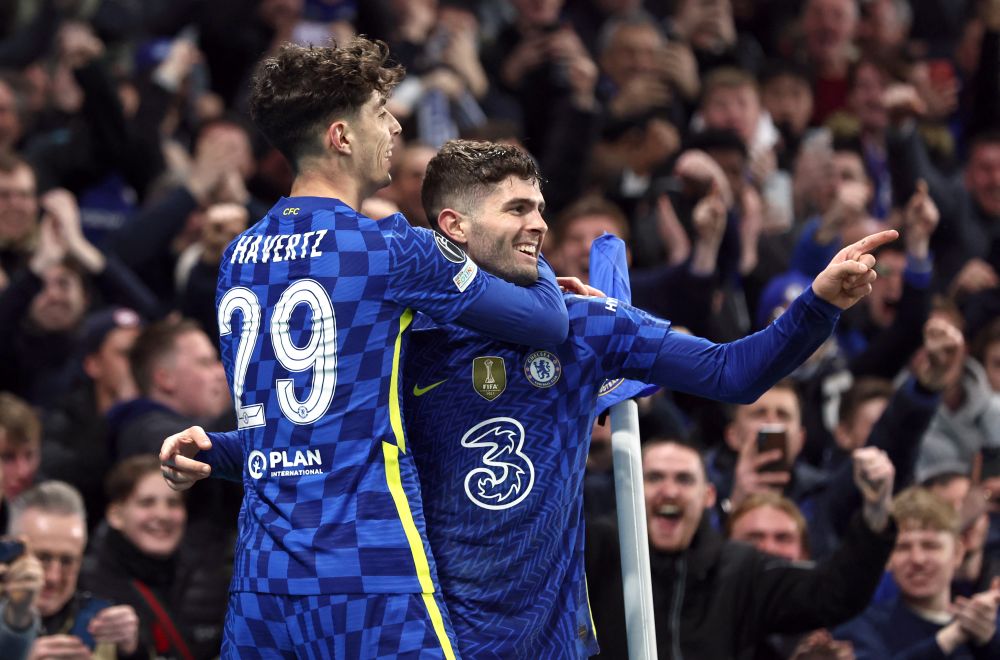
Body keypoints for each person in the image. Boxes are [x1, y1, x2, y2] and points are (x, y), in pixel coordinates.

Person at [169, 138, 898, 657]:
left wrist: (819, 304)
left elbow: (735, 373)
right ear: (451, 227)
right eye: (517, 208)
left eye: (541, 206)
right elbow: (322, 444)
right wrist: (220, 451)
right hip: (418, 632)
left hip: (551, 641)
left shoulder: (585, 324)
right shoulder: (398, 333)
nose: (539, 224)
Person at [160, 38, 570, 659]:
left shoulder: (237, 257)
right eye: (381, 111)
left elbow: (297, 438)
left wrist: (216, 452)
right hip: (367, 571)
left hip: (261, 583)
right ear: (342, 137)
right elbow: (544, 323)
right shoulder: (389, 248)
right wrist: (539, 267)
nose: (396, 124)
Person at [588, 440, 897, 658]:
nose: (669, 491)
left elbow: (834, 594)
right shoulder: (596, 552)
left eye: (684, 479)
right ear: (628, 491)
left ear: (708, 496)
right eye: (654, 478)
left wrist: (874, 515)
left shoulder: (741, 568)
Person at [79, 455, 229, 660]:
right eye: (146, 503)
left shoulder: (213, 575)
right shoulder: (89, 583)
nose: (162, 515)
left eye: (173, 503)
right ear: (116, 515)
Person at [833, 487, 1000, 659]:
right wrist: (951, 637)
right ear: (887, 558)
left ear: (957, 553)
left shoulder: (988, 627)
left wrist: (989, 642)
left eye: (930, 546)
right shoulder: (861, 630)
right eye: (903, 547)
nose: (917, 559)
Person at [10, 481, 143, 659]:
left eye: (67, 561)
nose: (53, 577)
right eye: (43, 558)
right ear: (12, 553)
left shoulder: (103, 626)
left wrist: (132, 652)